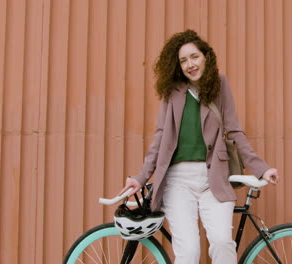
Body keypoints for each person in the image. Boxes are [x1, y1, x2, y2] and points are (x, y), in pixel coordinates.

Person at [118, 29, 279, 264]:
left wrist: (261, 168)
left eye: (194, 57)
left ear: (206, 56)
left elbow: (234, 131)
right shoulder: (172, 92)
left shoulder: (220, 85)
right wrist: (141, 177)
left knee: (223, 243)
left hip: (213, 177)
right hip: (178, 181)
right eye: (183, 60)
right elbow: (160, 137)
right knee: (189, 252)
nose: (190, 64)